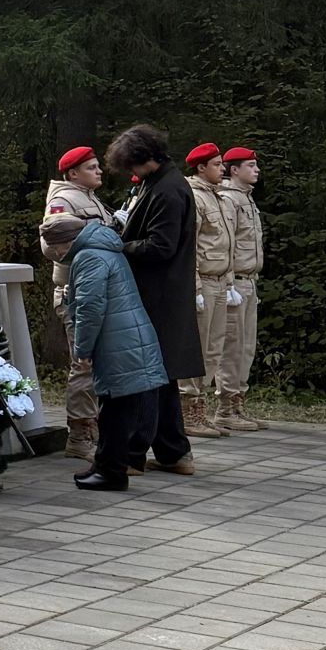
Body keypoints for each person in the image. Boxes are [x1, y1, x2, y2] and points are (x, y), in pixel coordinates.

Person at [40, 214, 166, 491]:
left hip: (117, 341)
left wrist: (82, 349)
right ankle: (104, 465)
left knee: (115, 411)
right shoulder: (103, 248)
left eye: (56, 248)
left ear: (65, 242)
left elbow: (89, 307)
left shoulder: (88, 257)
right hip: (127, 338)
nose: (57, 254)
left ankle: (112, 473)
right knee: (114, 408)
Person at [108, 124, 203, 475]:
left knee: (147, 376)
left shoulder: (168, 190)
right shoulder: (158, 182)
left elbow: (161, 246)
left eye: (132, 165)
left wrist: (120, 246)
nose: (131, 173)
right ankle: (174, 451)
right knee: (162, 377)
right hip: (161, 293)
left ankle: (132, 452)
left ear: (145, 158)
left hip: (159, 295)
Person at [41, 146, 118, 463]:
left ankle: (94, 427)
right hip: (77, 291)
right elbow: (53, 245)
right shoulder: (63, 201)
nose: (99, 171)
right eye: (92, 167)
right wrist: (101, 232)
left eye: (98, 166)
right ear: (73, 173)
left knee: (97, 363)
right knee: (83, 363)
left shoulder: (90, 198)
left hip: (97, 289)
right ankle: (78, 433)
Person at [182, 143, 234, 440]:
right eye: (216, 164)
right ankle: (189, 408)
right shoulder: (196, 198)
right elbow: (191, 247)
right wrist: (196, 287)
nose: (222, 168)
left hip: (219, 281)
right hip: (203, 281)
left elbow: (223, 246)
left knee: (214, 348)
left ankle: (199, 407)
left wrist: (228, 282)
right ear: (201, 168)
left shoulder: (218, 198)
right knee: (197, 348)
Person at [219, 147, 266, 430]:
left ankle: (238, 403)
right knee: (232, 346)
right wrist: (227, 283)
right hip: (234, 281)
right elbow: (225, 244)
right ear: (234, 170)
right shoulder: (228, 200)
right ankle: (225, 407)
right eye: (250, 165)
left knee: (246, 346)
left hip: (249, 281)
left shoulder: (246, 200)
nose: (256, 169)